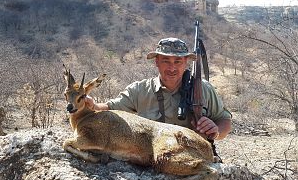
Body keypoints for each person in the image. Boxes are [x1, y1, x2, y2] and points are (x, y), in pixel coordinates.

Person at [86, 37, 232, 141]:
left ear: (186, 62)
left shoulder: (203, 89)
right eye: (166, 61)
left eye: (178, 61)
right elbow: (110, 108)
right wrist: (92, 106)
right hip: (152, 158)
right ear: (157, 62)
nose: (172, 68)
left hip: (194, 155)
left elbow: (224, 119)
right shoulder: (139, 90)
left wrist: (217, 131)